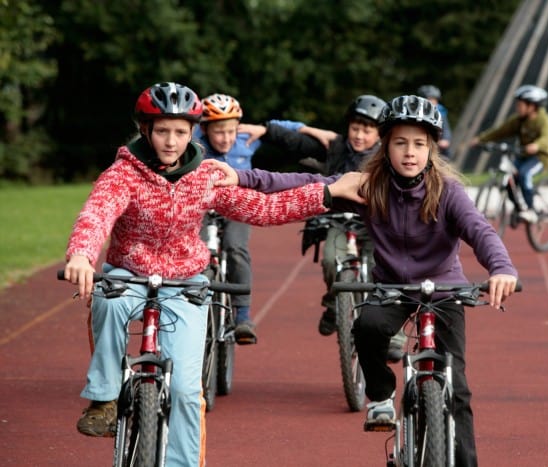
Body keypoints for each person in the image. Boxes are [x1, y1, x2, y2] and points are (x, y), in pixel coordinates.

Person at [62, 82, 364, 467]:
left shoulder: (204, 175)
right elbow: (97, 213)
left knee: (188, 393)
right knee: (107, 298)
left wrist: (326, 194)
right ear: (146, 131)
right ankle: (104, 398)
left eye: (180, 132)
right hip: (130, 274)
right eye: (162, 131)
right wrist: (82, 256)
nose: (171, 141)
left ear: (193, 133)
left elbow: (263, 208)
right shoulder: (123, 173)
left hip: (185, 284)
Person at [228, 94, 519, 466]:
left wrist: (502, 268)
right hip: (393, 287)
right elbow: (301, 181)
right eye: (400, 143)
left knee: (457, 389)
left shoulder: (448, 192)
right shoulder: (369, 186)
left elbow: (480, 231)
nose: (410, 152)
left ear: (431, 148)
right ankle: (381, 396)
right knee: (366, 325)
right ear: (386, 145)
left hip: (445, 289)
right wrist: (241, 176)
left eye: (419, 144)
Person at [237, 95, 386, 337]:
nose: (359, 135)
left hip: (374, 224)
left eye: (367, 131)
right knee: (330, 260)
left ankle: (393, 335)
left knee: (385, 265)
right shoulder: (335, 146)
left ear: (379, 134)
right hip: (340, 219)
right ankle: (333, 304)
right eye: (355, 128)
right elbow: (294, 141)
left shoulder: (387, 155)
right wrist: (264, 130)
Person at [194, 93, 337, 344]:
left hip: (238, 206)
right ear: (205, 129)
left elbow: (285, 128)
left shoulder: (245, 139)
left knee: (236, 248)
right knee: (199, 252)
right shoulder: (195, 141)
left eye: (231, 131)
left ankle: (242, 315)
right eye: (219, 132)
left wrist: (313, 131)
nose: (226, 138)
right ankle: (195, 308)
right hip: (203, 207)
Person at [469, 84, 548, 224]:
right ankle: (520, 208)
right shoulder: (518, 120)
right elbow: (500, 131)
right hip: (522, 155)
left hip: (540, 157)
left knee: (525, 174)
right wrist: (481, 139)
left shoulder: (543, 120)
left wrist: (537, 145)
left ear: (532, 106)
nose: (517, 107)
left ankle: (531, 210)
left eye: (521, 105)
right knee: (509, 179)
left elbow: (547, 138)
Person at [417, 84, 452, 157]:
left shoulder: (440, 111)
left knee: (446, 155)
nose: (433, 102)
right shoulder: (417, 113)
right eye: (430, 99)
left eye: (435, 100)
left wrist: (446, 139)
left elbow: (446, 128)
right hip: (423, 143)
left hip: (437, 145)